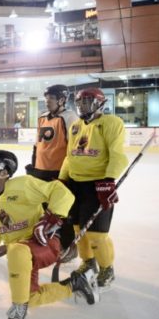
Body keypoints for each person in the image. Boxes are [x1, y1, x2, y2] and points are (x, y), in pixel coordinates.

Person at [0, 150, 97, 319]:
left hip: (45, 244)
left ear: (4, 171)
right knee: (31, 296)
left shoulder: (24, 185)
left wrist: (51, 219)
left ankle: (19, 307)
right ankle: (76, 284)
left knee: (16, 251)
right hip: (22, 254)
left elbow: (62, 193)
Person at [59, 87, 128, 290]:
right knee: (78, 229)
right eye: (79, 102)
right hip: (75, 185)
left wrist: (108, 180)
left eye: (86, 102)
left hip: (97, 185)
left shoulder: (111, 123)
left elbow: (117, 154)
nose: (81, 106)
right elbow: (70, 156)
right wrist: (63, 179)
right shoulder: (76, 126)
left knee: (96, 234)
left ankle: (107, 269)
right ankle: (88, 263)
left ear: (99, 103)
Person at [26, 84, 79, 258]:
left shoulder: (70, 118)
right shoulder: (42, 117)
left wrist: (68, 174)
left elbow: (74, 149)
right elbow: (38, 145)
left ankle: (68, 246)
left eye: (51, 98)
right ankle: (50, 243)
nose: (47, 102)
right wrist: (34, 165)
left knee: (62, 212)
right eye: (46, 98)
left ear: (62, 100)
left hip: (59, 173)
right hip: (41, 171)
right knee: (43, 211)